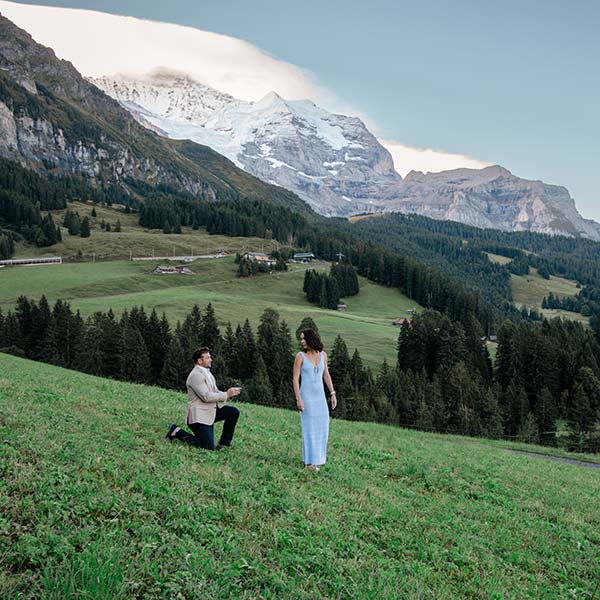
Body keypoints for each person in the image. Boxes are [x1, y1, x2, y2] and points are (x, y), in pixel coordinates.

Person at [166, 347, 241, 450]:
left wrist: (228, 395)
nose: (211, 359)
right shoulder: (196, 375)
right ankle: (177, 432)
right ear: (200, 361)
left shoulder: (207, 372)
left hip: (210, 411)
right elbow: (206, 396)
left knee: (233, 412)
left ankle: (224, 443)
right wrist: (226, 394)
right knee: (208, 447)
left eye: (210, 357)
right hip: (199, 417)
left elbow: (214, 392)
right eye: (207, 358)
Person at [293, 328, 336, 471]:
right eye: (301, 339)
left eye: (304, 339)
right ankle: (309, 462)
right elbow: (295, 380)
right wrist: (298, 399)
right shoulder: (300, 357)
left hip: (320, 398)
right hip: (307, 397)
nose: (302, 341)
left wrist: (332, 393)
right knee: (309, 428)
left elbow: (326, 375)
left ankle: (318, 460)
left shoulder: (323, 355)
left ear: (311, 339)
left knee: (322, 426)